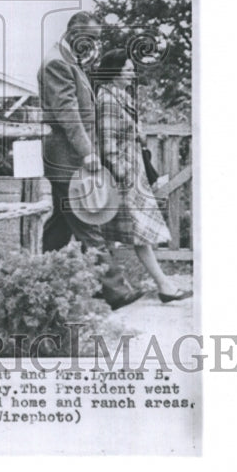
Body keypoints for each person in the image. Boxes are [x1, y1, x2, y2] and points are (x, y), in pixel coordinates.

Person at [38, 11, 143, 309]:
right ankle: (116, 291)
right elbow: (68, 114)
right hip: (68, 159)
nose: (94, 45)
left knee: (59, 227)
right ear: (74, 32)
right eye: (90, 38)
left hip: (68, 158)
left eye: (96, 40)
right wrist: (88, 154)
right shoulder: (57, 62)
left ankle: (36, 275)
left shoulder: (68, 60)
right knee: (89, 223)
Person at [94, 48, 192, 303]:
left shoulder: (120, 98)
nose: (131, 73)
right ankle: (164, 286)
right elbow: (107, 146)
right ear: (113, 73)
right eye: (126, 70)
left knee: (111, 233)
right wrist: (125, 175)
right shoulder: (107, 101)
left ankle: (103, 283)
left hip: (131, 174)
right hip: (123, 178)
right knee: (136, 232)